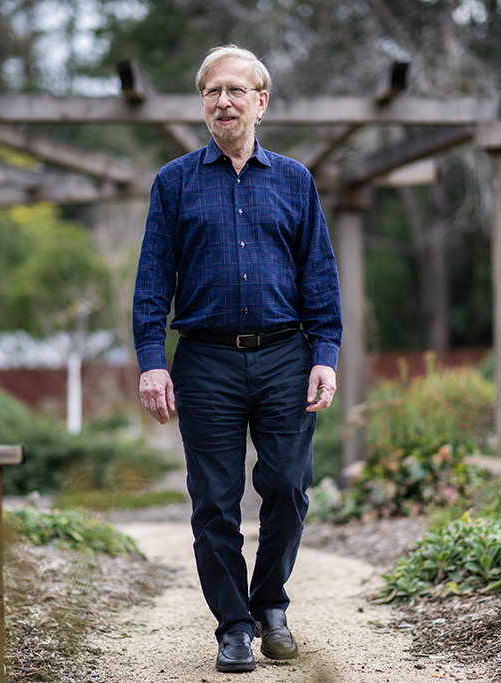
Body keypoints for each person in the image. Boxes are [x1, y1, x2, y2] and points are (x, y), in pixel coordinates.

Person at [132, 44, 342, 673]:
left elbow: (320, 277)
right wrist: (152, 360)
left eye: (235, 91)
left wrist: (325, 352)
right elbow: (151, 281)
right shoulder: (174, 183)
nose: (223, 102)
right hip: (205, 362)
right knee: (215, 500)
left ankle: (270, 604)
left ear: (261, 101)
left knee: (286, 486)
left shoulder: (295, 181)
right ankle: (233, 625)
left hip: (285, 354)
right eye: (211, 92)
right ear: (204, 105)